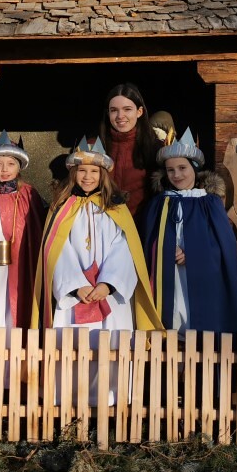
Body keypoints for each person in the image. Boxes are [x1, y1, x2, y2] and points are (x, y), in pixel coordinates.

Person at [32, 137, 162, 404]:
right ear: (73, 173)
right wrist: (75, 284)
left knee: (112, 345)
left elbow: (124, 247)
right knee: (71, 346)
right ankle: (70, 400)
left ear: (103, 175)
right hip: (75, 295)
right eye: (82, 170)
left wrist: (108, 283)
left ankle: (111, 399)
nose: (88, 176)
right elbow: (57, 250)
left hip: (109, 297)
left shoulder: (116, 208)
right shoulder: (61, 208)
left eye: (94, 171)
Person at [142, 128, 237, 335]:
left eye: (182, 168)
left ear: (194, 168)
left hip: (202, 277)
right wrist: (166, 248)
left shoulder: (210, 203)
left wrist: (194, 255)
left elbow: (223, 246)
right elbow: (147, 241)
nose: (177, 175)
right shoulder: (159, 204)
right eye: (170, 170)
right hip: (168, 275)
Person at [0, 131, 46, 330]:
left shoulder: (28, 194)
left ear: (19, 167)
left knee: (16, 297)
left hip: (20, 261)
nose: (4, 169)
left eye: (11, 164)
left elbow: (37, 231)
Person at [99, 83, 161, 219]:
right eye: (114, 110)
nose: (120, 116)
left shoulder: (155, 147)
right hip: (102, 224)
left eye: (127, 109)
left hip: (141, 225)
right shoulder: (95, 146)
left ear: (139, 112)